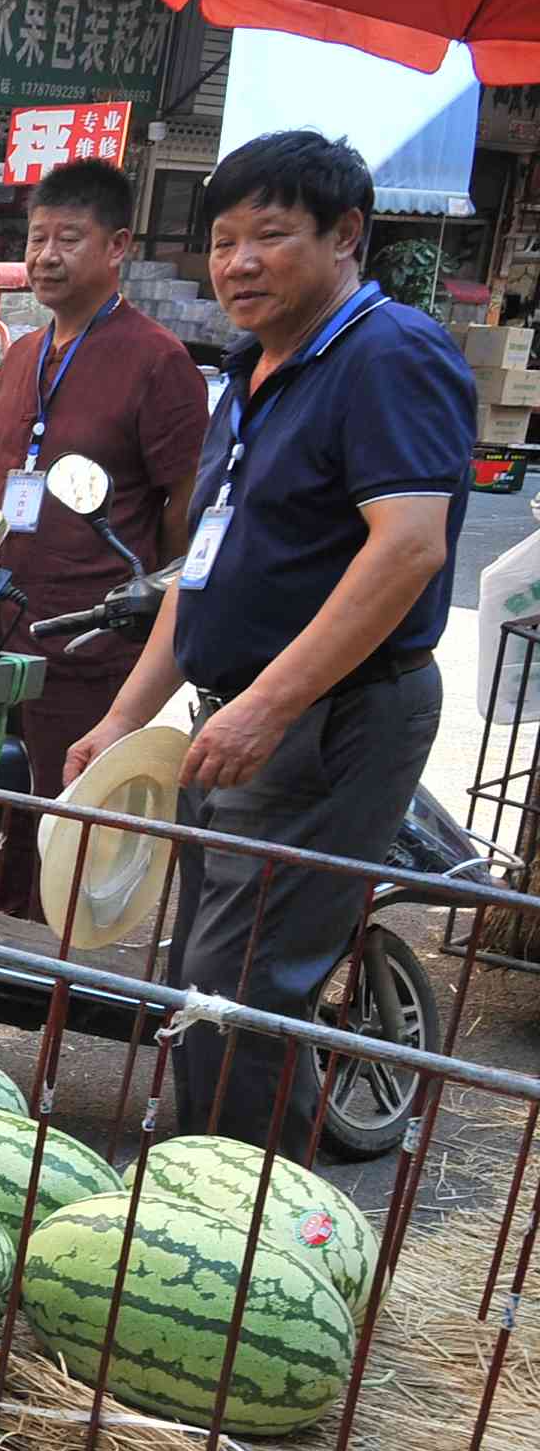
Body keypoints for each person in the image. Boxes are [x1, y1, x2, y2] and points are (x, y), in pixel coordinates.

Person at [64, 131, 470, 1161]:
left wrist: (269, 703)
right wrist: (122, 718)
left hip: (328, 717)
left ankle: (238, 1231)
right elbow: (200, 569)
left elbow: (408, 546)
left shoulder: (388, 353)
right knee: (204, 974)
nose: (237, 262)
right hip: (239, 713)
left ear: (346, 237)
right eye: (223, 239)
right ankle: (196, 1184)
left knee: (247, 987)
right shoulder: (251, 373)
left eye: (270, 235)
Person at [0, 157, 209, 922]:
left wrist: (148, 597)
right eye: (37, 237)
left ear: (116, 247)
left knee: (73, 818)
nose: (46, 256)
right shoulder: (20, 354)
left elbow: (185, 507)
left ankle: (72, 962)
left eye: (68, 239)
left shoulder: (156, 360)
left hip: (90, 635)